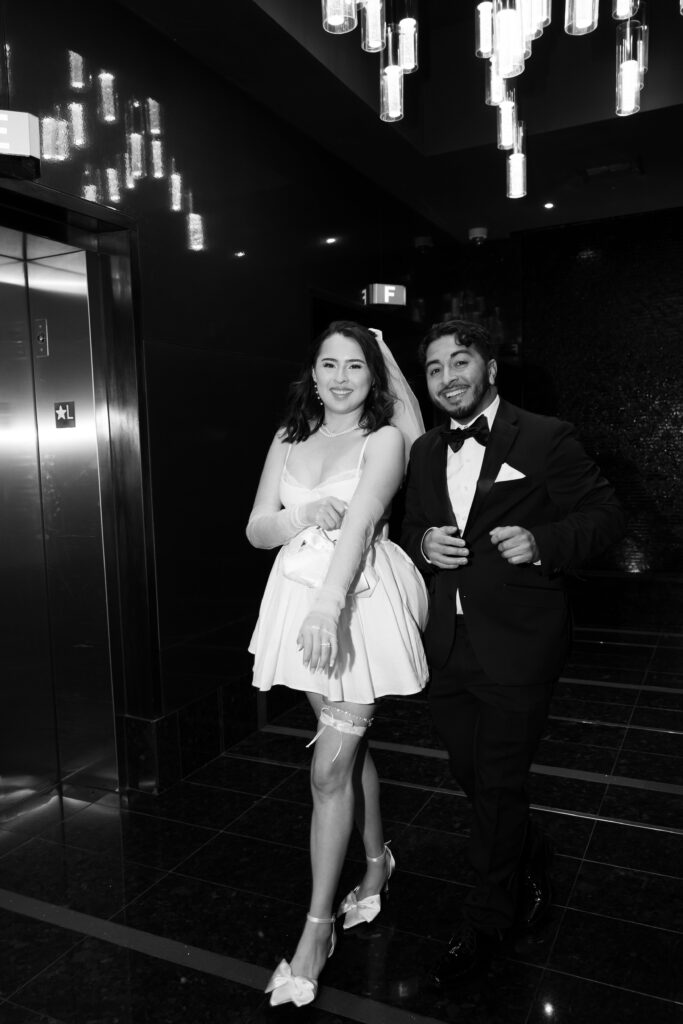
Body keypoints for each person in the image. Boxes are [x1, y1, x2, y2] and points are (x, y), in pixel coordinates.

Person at [400, 318, 625, 986]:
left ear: (489, 369)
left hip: (518, 643)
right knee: (473, 775)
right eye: (434, 368)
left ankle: (487, 918)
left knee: (496, 785)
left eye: (459, 361)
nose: (447, 377)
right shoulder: (421, 452)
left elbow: (604, 517)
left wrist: (544, 543)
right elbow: (412, 524)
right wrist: (422, 546)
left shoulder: (545, 435)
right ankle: (523, 847)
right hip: (445, 643)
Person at [246, 320, 428, 1008]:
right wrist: (302, 515)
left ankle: (316, 930)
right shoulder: (288, 438)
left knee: (327, 769)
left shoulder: (384, 438)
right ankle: (376, 862)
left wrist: (328, 608)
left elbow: (362, 522)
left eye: (356, 365)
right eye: (330, 364)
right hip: (294, 606)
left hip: (353, 608)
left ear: (372, 376)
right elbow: (258, 527)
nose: (343, 377)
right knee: (345, 758)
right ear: (313, 373)